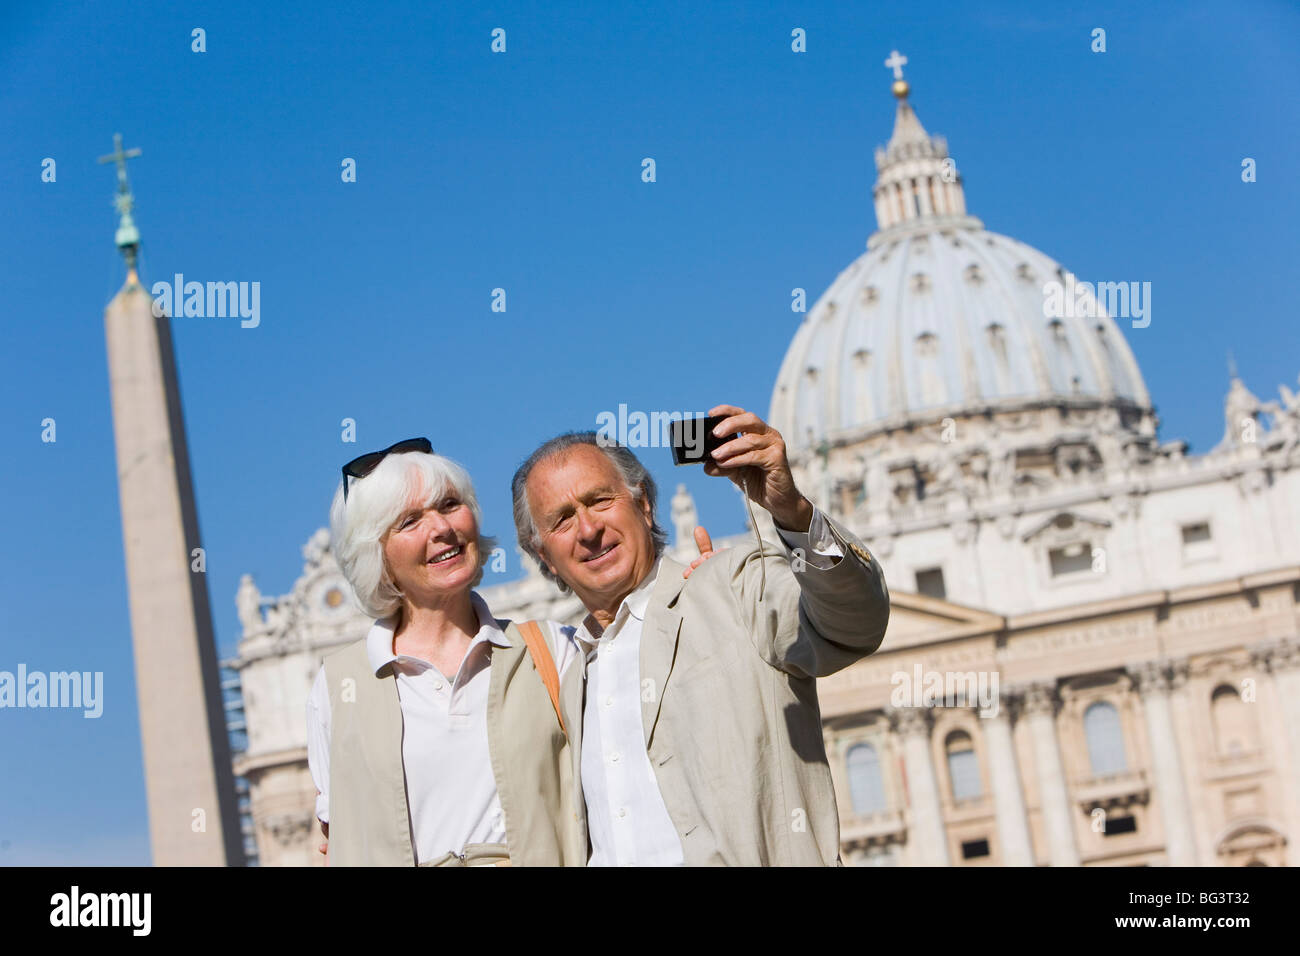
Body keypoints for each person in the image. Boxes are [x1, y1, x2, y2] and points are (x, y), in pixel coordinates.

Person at [511, 404, 890, 865]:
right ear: (543, 555)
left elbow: (855, 620)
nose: (588, 529)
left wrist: (790, 510)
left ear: (644, 504)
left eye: (599, 500)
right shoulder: (561, 676)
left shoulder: (731, 587)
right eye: (562, 520)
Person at [305, 438, 585, 866]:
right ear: (375, 555)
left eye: (450, 504)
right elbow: (337, 844)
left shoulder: (551, 651)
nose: (441, 528)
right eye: (410, 520)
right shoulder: (337, 688)